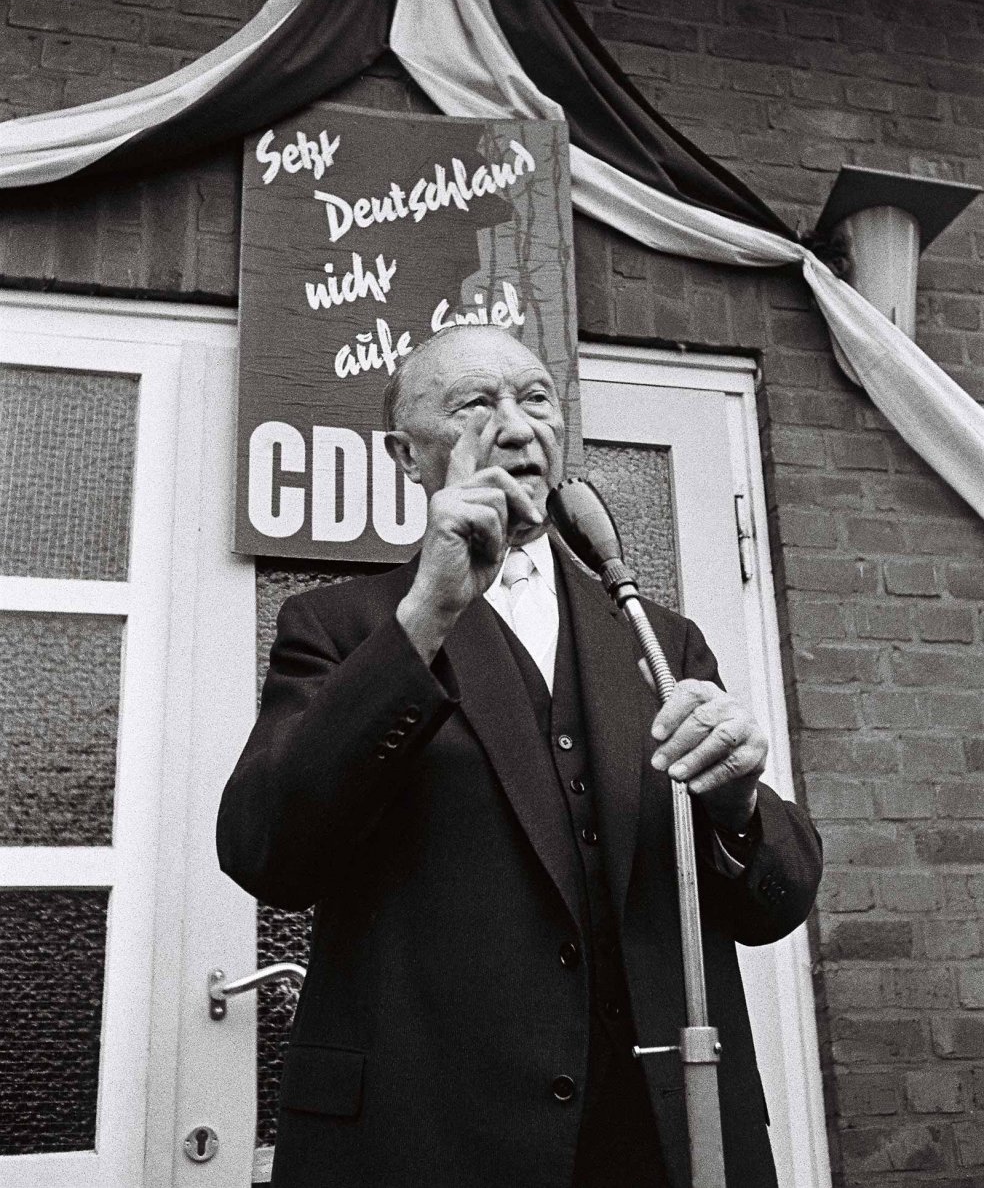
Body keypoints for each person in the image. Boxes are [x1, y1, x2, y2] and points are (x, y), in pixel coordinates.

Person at [217, 324, 822, 1188]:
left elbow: (778, 902)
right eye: (474, 404)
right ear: (405, 454)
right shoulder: (339, 627)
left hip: (663, 1142)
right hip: (427, 1144)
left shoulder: (658, 638)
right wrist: (428, 610)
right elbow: (265, 850)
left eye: (535, 397)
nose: (515, 423)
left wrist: (737, 808)